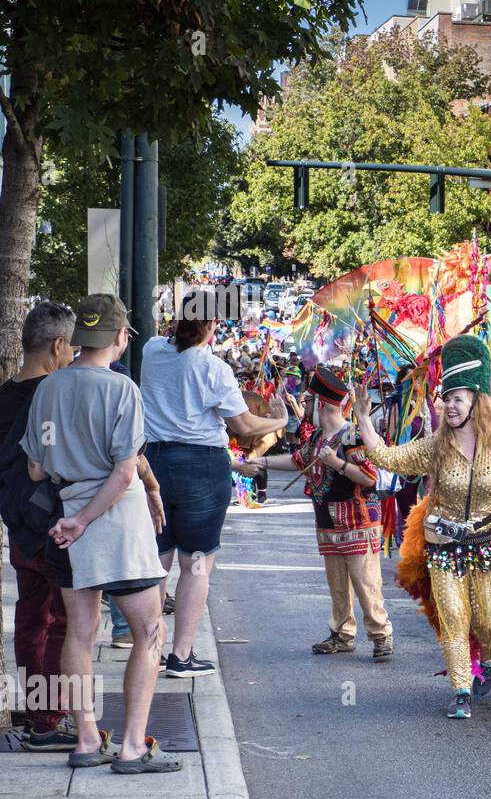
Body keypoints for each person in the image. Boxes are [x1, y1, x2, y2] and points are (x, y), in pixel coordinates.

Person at [22, 295, 179, 773]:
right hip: (115, 524)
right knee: (150, 629)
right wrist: (88, 516)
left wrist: (74, 513)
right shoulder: (121, 390)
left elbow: (34, 468)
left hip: (64, 520)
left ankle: (87, 739)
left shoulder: (47, 388)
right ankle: (133, 745)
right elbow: (124, 472)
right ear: (119, 337)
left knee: (80, 632)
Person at [353, 337, 491, 719]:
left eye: (457, 399)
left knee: (487, 624)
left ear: (476, 406)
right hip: (444, 546)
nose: (449, 405)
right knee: (453, 618)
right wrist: (365, 421)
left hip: (490, 547)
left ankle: (488, 658)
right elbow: (388, 457)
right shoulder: (435, 447)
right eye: (445, 398)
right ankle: (461, 691)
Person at [141, 315, 288, 677]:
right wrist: (280, 421)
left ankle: (149, 651)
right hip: (201, 467)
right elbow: (244, 426)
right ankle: (181, 655)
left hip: (154, 461)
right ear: (210, 327)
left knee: (157, 559)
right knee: (196, 562)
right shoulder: (213, 368)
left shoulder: (151, 351)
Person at [240, 367, 393, 659]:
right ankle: (342, 633)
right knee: (337, 583)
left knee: (365, 582)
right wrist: (262, 462)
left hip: (356, 520)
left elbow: (370, 478)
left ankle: (380, 634)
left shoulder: (351, 436)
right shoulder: (317, 439)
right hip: (328, 522)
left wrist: (337, 463)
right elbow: (298, 461)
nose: (304, 406)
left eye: (308, 401)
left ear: (321, 404)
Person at [0, 302, 77, 747]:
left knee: (32, 617)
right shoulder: (53, 396)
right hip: (51, 524)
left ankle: (35, 711)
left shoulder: (4, 394)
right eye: (72, 348)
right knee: (63, 619)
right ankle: (48, 719)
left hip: (16, 524)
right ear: (59, 344)